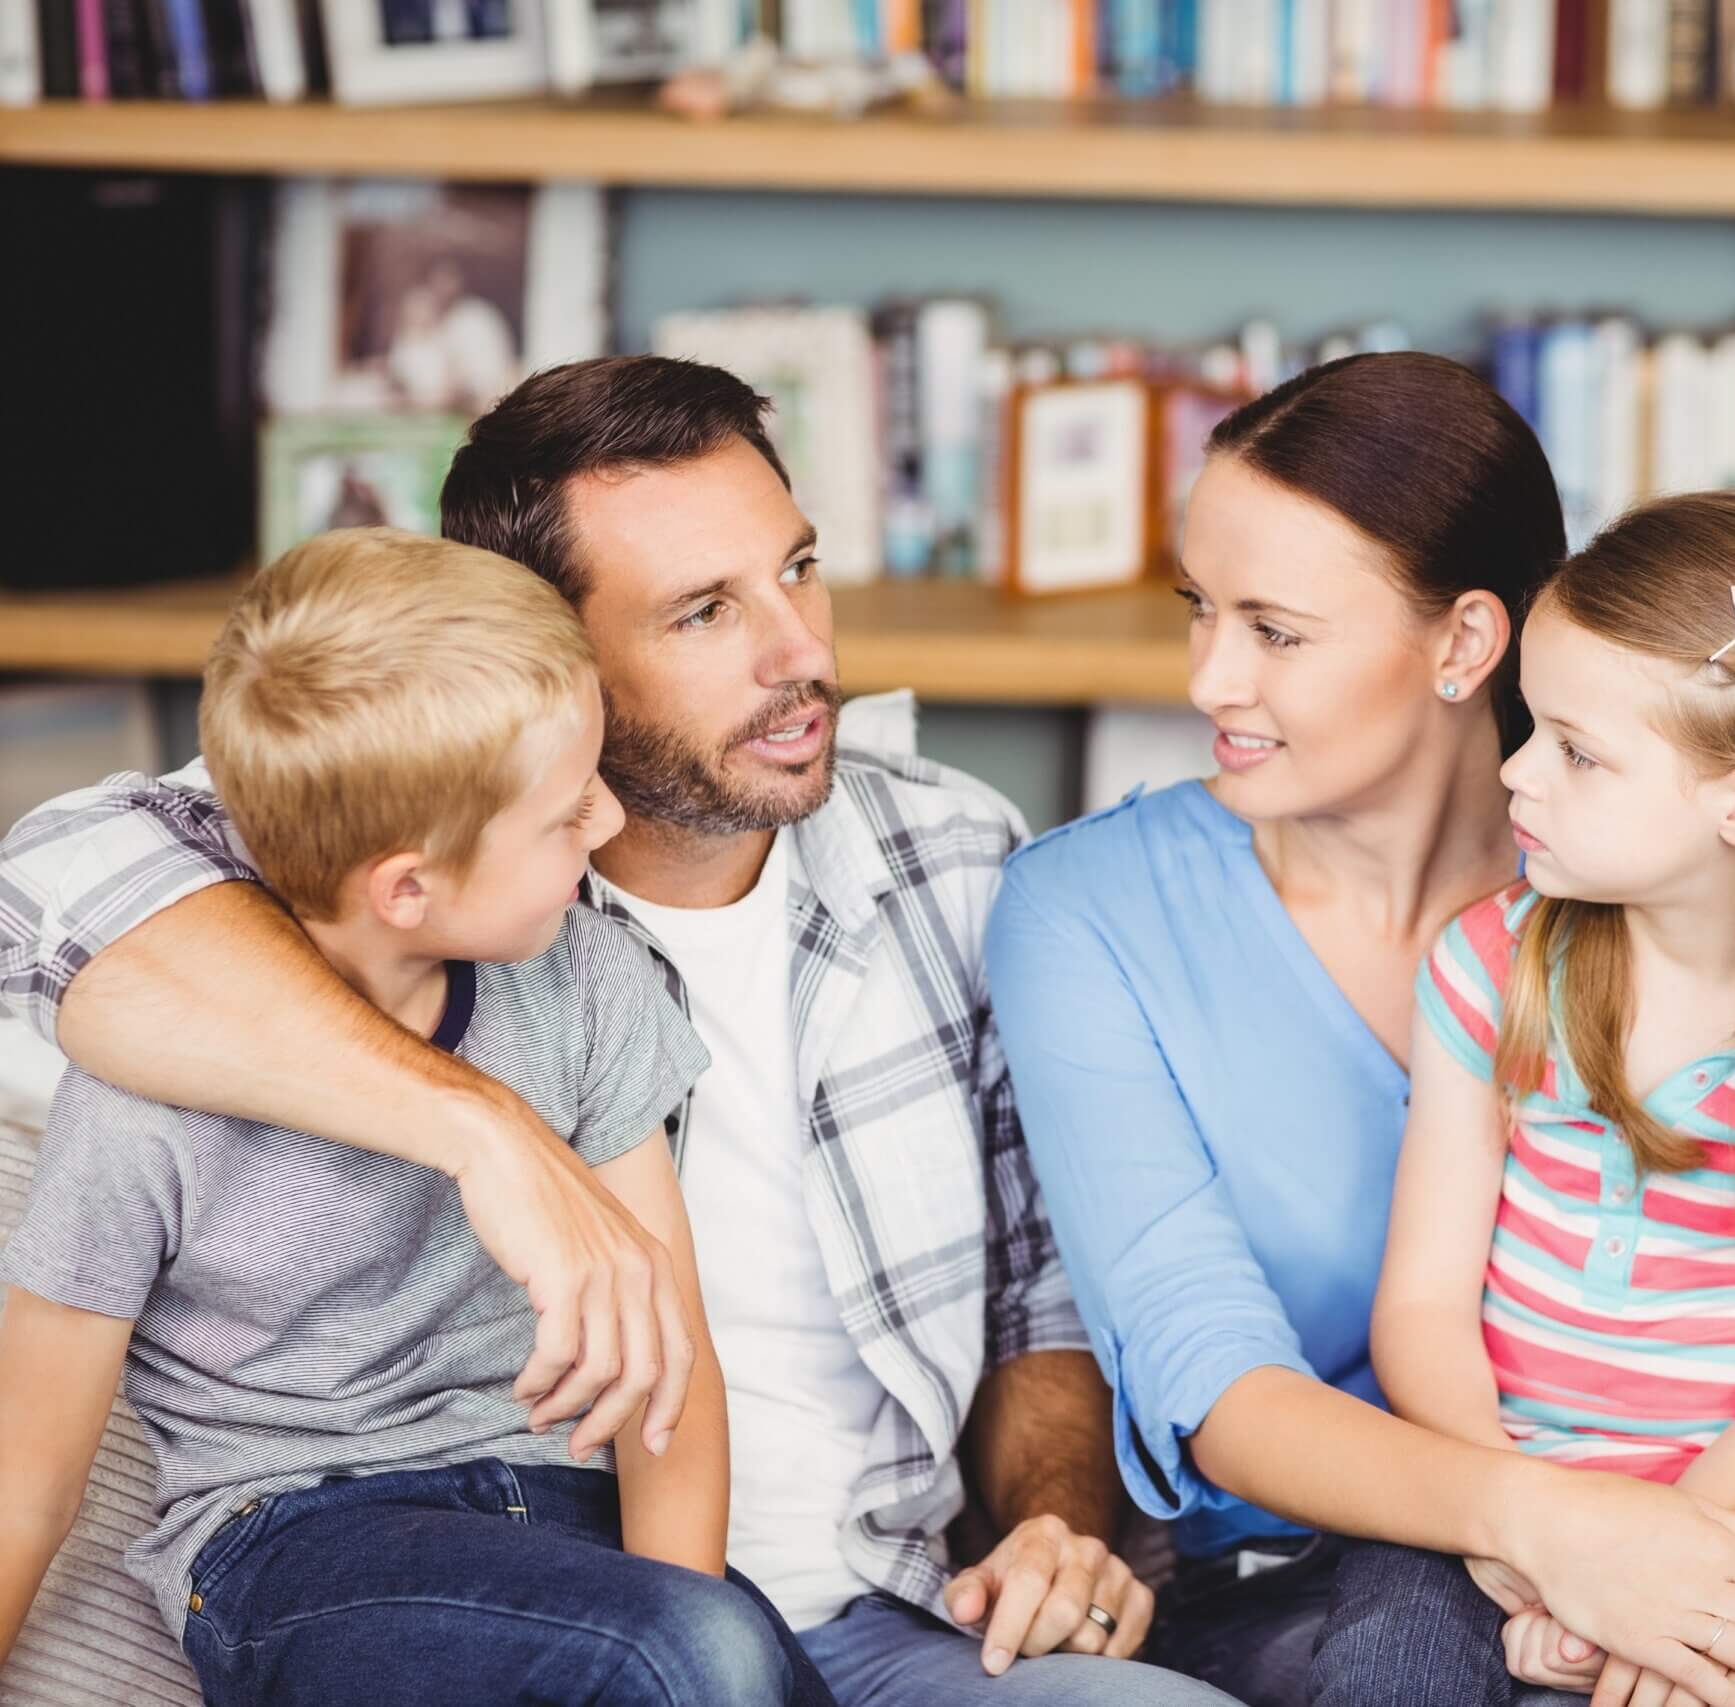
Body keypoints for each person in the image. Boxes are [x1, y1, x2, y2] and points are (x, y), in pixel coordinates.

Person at [0, 357, 1233, 1707]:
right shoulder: (386, 825)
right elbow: (52, 891)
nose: (803, 653)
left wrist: (1057, 1524)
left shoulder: (951, 854)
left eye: (799, 568)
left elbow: (1030, 1291)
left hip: (864, 1607)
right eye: (705, 611)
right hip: (458, 1582)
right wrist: (483, 1131)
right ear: (542, 649)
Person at [985, 352, 1735, 1707]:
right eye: (1199, 608)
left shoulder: (1655, 886)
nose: (1208, 679)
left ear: (1468, 644)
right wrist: (1554, 1537)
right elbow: (1214, 1385)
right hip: (1340, 1565)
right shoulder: (1087, 912)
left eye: (1276, 631)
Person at [0, 530, 827, 1705]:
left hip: (572, 1529)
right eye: (563, 814)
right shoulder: (140, 1098)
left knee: (722, 1653)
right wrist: (688, 1645)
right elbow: (25, 1482)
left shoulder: (589, 984)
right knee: (688, 1650)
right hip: (294, 1544)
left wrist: (693, 1618)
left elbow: (666, 1380)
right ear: (407, 886)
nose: (606, 822)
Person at [1317, 489, 1735, 1706]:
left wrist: (1659, 1567)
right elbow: (1421, 1305)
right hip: (1496, 1489)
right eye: (1531, 724)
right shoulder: (1489, 970)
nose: (1516, 772)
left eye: (1577, 752)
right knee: (1386, 1672)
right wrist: (1527, 1541)